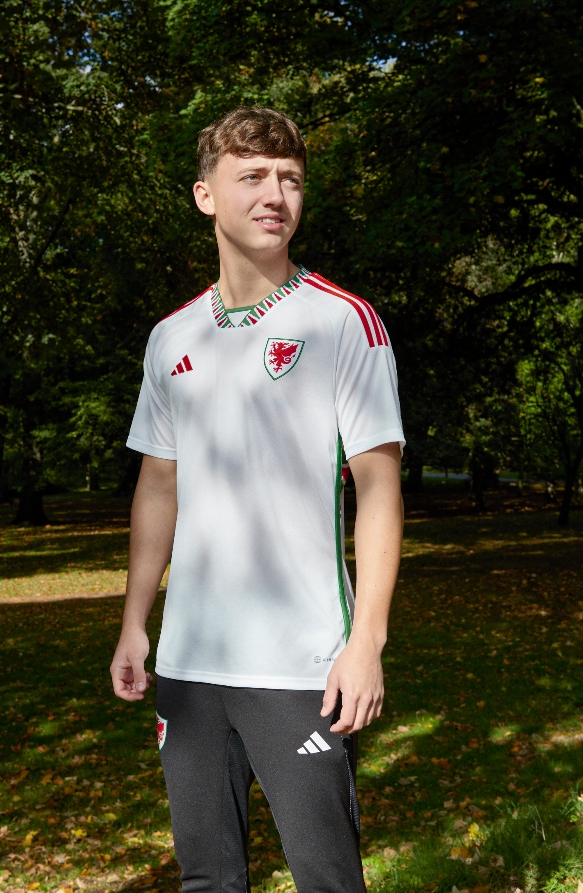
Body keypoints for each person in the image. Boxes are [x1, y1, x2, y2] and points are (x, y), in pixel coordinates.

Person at [110, 106, 405, 893]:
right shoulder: (171, 338)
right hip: (190, 662)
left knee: (326, 879)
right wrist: (135, 620)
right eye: (252, 177)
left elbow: (379, 487)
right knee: (206, 878)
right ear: (205, 195)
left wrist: (366, 642)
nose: (275, 194)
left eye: (290, 179)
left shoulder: (343, 322)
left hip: (301, 664)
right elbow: (158, 484)